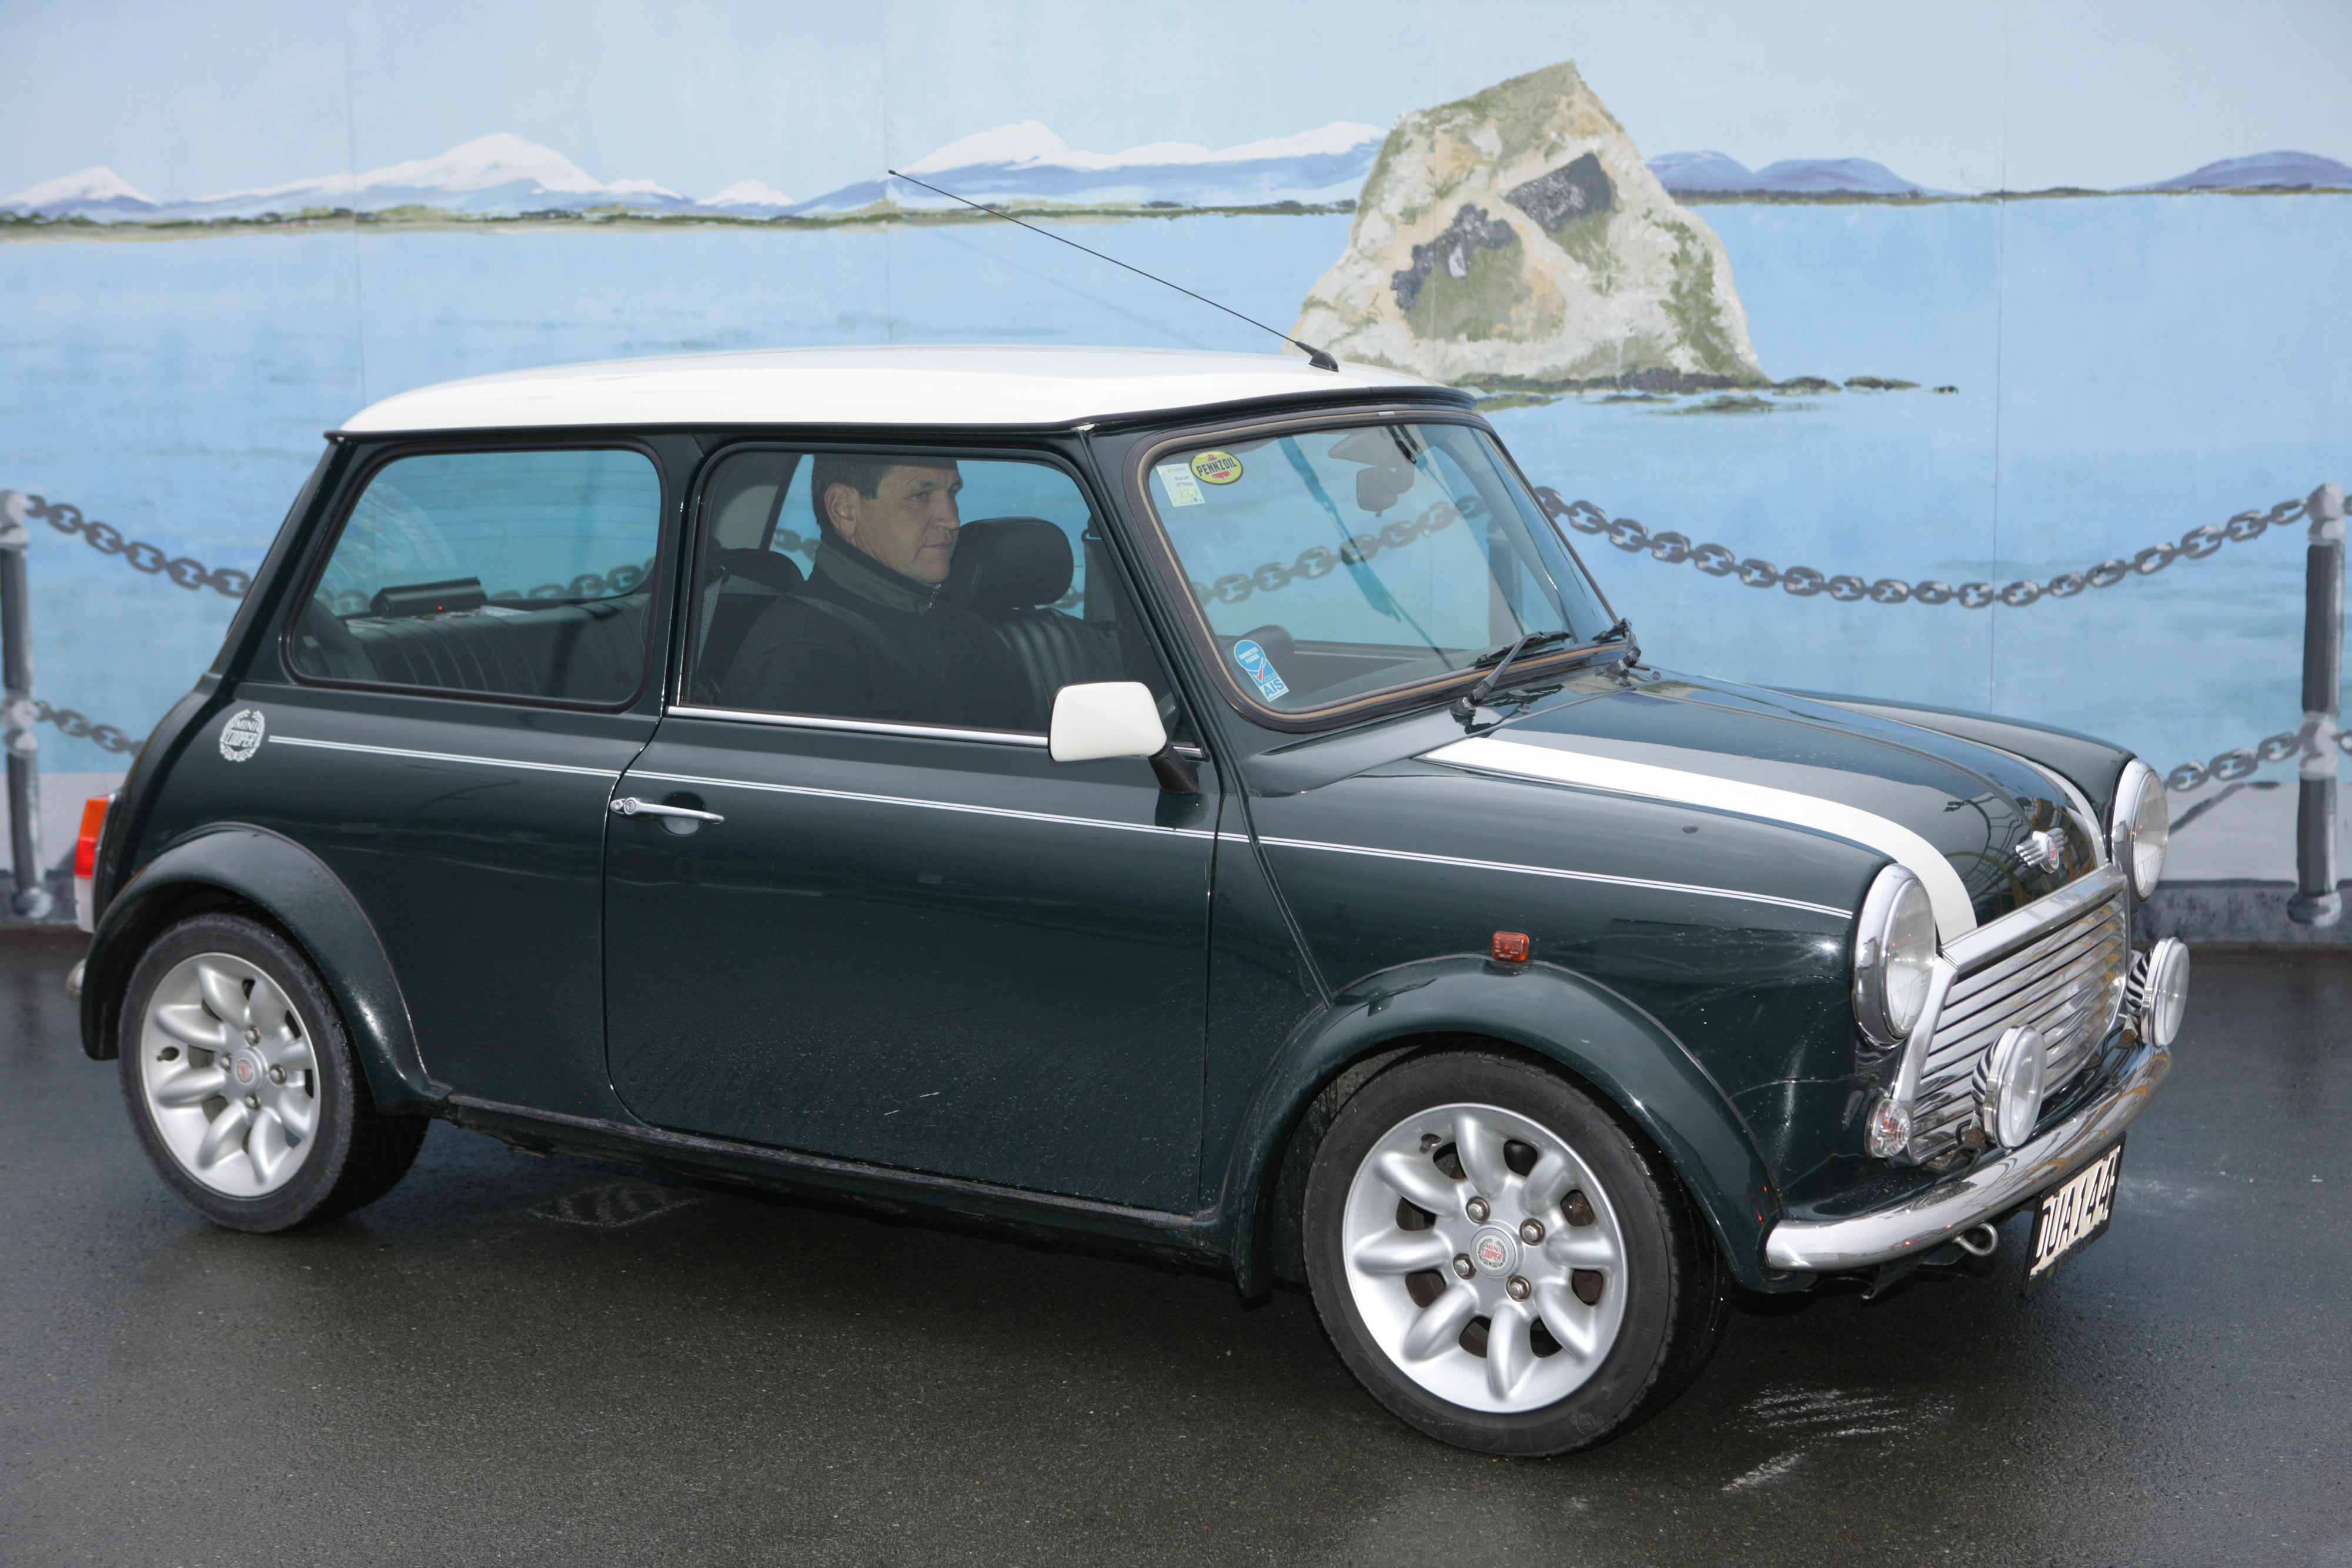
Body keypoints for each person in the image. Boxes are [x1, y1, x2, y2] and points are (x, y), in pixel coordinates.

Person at [717, 455, 1035, 729]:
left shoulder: (973, 635)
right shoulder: (800, 655)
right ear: (844, 510)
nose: (952, 520)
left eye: (952, 493)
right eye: (921, 495)